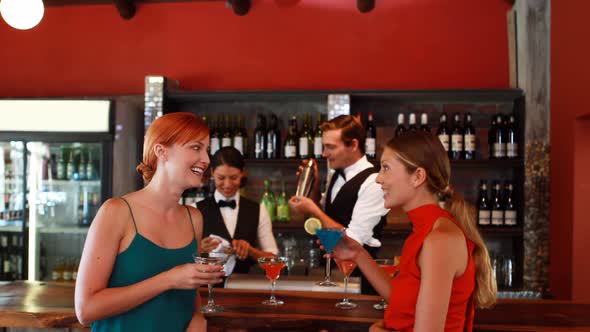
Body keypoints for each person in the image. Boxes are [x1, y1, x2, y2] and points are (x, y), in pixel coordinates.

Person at [329, 130, 497, 332]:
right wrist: (358, 254)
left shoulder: (439, 240)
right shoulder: (425, 232)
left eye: (386, 168)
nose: (378, 179)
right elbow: (404, 300)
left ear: (417, 176)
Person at [75, 112, 225, 332]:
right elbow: (86, 310)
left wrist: (197, 317)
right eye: (196, 148)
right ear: (161, 151)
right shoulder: (116, 212)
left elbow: (190, 291)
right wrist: (168, 279)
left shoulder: (194, 218)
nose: (206, 159)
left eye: (207, 150)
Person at [288, 114, 389, 294]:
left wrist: (312, 209)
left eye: (330, 147)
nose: (325, 153)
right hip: (330, 274)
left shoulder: (373, 182)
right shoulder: (336, 174)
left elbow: (354, 240)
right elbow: (328, 216)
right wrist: (314, 188)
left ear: (353, 145)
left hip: (359, 279)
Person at [197, 146, 279, 275]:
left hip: (243, 289)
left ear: (242, 174)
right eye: (221, 178)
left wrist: (251, 251)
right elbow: (179, 261)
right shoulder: (195, 209)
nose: (228, 184)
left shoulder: (259, 210)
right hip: (205, 290)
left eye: (234, 177)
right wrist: (200, 249)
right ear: (212, 173)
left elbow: (274, 262)